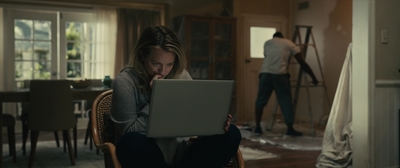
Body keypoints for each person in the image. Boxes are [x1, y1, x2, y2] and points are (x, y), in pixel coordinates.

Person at [110, 25, 241, 168]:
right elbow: (127, 133)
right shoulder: (124, 82)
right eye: (156, 63)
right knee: (131, 142)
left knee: (232, 133)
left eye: (169, 64)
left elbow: (193, 122)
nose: (163, 71)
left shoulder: (181, 75)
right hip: (147, 155)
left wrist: (215, 125)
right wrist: (158, 99)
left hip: (181, 154)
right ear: (142, 55)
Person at [254, 32, 318, 136]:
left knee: (260, 101)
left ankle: (257, 128)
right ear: (282, 37)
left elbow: (266, 56)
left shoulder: (267, 43)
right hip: (280, 74)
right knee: (285, 101)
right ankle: (290, 129)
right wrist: (314, 77)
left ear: (274, 37)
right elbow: (302, 62)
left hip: (265, 73)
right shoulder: (289, 43)